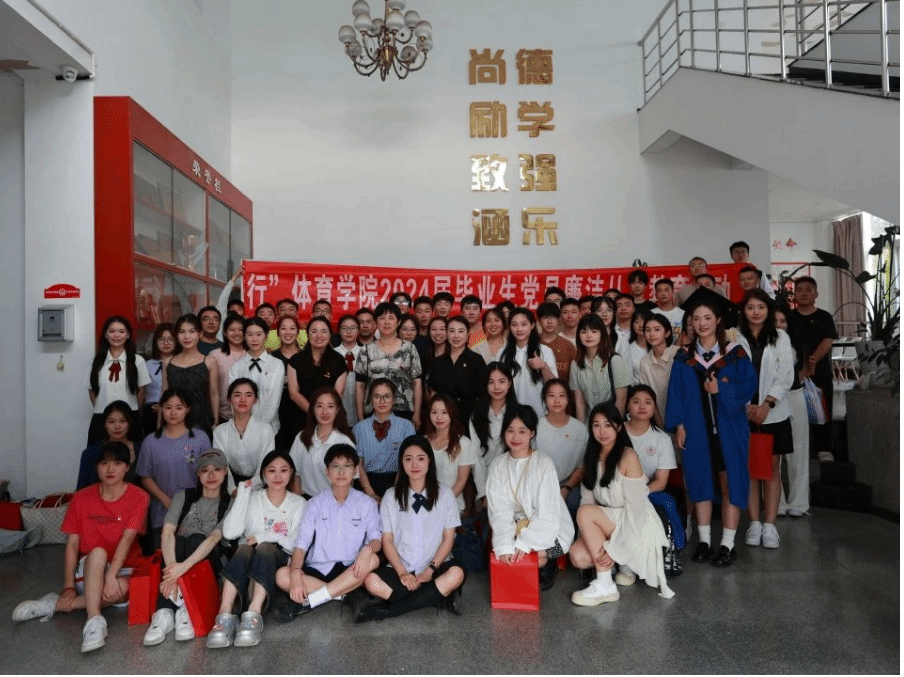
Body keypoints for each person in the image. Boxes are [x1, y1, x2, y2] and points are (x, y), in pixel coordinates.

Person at [13, 441, 150, 653]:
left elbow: (127, 539)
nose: (111, 469)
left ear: (127, 467)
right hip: (90, 568)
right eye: (104, 463)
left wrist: (111, 575)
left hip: (124, 568)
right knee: (98, 553)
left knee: (124, 591)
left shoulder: (139, 497)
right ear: (96, 466)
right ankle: (94, 620)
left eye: (117, 463)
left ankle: (54, 605)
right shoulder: (81, 498)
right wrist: (68, 587)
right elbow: (72, 545)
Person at [665, 295, 757, 568]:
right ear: (690, 323)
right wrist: (679, 425)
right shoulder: (684, 357)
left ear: (718, 320)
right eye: (696, 319)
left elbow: (748, 387)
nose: (702, 323)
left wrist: (722, 389)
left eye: (707, 318)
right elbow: (676, 393)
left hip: (730, 429)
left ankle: (727, 544)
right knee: (699, 480)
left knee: (730, 482)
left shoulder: (735, 353)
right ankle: (704, 541)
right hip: (696, 429)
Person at [569, 403, 674, 605]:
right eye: (596, 425)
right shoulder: (591, 457)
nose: (602, 431)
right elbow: (588, 501)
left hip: (635, 525)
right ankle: (619, 564)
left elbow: (637, 511)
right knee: (578, 556)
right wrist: (590, 540)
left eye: (608, 425)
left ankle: (605, 584)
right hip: (609, 522)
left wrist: (617, 548)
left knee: (585, 512)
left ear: (618, 426)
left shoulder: (628, 456)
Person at [356, 435, 465, 622]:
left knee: (456, 574)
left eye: (421, 458)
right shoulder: (391, 496)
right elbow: (387, 540)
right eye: (408, 459)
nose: (415, 464)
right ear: (402, 462)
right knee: (371, 582)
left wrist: (430, 570)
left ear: (429, 460)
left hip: (435, 565)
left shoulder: (445, 494)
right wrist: (402, 572)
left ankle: (390, 611)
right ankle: (435, 598)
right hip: (402, 565)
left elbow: (449, 538)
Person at [207, 450, 306, 648]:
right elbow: (230, 532)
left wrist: (265, 536)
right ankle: (225, 614)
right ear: (263, 474)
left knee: (266, 548)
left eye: (283, 470)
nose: (277, 476)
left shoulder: (299, 503)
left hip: (275, 562)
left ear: (291, 473)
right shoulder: (253, 498)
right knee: (244, 548)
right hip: (246, 564)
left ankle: (253, 613)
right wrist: (243, 494)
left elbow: (297, 542)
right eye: (272, 470)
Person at [273, 444, 381, 623]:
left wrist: (367, 549)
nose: (341, 472)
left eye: (347, 466)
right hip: (319, 568)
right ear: (327, 472)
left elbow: (376, 539)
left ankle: (314, 599)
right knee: (283, 575)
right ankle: (345, 595)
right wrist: (296, 572)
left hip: (351, 568)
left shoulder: (367, 503)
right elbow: (301, 545)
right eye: (335, 466)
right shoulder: (314, 504)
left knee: (374, 559)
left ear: (355, 471)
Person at [143, 449, 232, 646]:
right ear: (198, 474)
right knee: (179, 540)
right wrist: (173, 573)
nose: (211, 475)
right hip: (177, 561)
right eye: (205, 470)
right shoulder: (183, 497)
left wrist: (180, 569)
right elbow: (167, 533)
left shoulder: (230, 503)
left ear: (225, 471)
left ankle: (185, 607)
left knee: (196, 538)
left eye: (217, 469)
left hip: (209, 561)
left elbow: (213, 539)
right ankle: (164, 612)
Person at [486, 404, 574, 590]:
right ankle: (531, 566)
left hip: (550, 527)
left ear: (532, 433)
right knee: (507, 554)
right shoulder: (498, 465)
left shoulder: (543, 463)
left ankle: (549, 562)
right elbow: (499, 511)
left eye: (522, 431)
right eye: (510, 430)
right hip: (515, 527)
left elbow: (547, 513)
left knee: (535, 556)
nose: (515, 437)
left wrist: (525, 543)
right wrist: (505, 545)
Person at [736, 290, 794, 549]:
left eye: (761, 307)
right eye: (751, 307)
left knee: (771, 470)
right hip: (742, 412)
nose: (756, 312)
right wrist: (745, 405)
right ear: (744, 310)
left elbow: (785, 374)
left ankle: (770, 525)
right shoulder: (733, 337)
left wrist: (767, 404)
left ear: (768, 310)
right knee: (749, 469)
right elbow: (730, 374)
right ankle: (754, 523)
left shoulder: (780, 336)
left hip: (774, 413)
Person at [137, 388, 213, 548]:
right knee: (163, 558)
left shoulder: (200, 438)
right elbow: (145, 476)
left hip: (195, 512)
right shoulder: (150, 441)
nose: (173, 413)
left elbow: (209, 474)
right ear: (161, 408)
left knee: (194, 558)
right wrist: (165, 500)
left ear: (188, 409)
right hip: (162, 513)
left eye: (179, 407)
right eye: (168, 407)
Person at [623, 385, 684, 573]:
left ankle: (668, 553)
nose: (642, 406)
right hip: (619, 489)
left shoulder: (662, 439)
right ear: (627, 406)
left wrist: (640, 492)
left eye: (648, 402)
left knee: (666, 504)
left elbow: (661, 481)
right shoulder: (616, 433)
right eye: (636, 402)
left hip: (648, 490)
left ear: (654, 407)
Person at [791, 276, 838, 463]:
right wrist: (800, 369)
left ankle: (824, 448)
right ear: (794, 294)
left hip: (819, 371)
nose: (803, 293)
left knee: (821, 409)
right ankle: (796, 447)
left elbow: (827, 341)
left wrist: (811, 362)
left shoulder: (824, 317)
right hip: (793, 372)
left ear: (816, 294)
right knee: (795, 410)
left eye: (808, 290)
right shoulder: (788, 317)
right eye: (799, 290)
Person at [354, 302, 423, 428]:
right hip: (373, 410)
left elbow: (417, 383)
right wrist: (359, 415)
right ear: (376, 322)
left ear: (398, 322)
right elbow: (360, 386)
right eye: (382, 318)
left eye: (391, 318)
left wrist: (417, 413)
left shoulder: (409, 348)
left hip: (404, 410)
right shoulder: (366, 350)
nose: (386, 322)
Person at [86, 315, 150, 445]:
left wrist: (133, 413)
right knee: (99, 454)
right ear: (105, 335)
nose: (116, 335)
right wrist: (105, 410)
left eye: (121, 331)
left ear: (128, 335)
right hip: (102, 417)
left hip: (130, 417)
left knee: (132, 454)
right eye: (112, 331)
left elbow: (141, 393)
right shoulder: (96, 362)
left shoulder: (138, 361)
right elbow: (92, 392)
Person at [352, 378, 415, 500]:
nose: (382, 401)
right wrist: (370, 493)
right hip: (366, 484)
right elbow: (358, 464)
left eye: (387, 396)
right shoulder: (359, 428)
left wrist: (394, 492)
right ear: (370, 399)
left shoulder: (406, 426)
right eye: (377, 397)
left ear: (394, 399)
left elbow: (408, 462)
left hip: (399, 482)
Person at [774, 306, 810, 517]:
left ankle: (799, 504)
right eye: (775, 321)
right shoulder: (762, 345)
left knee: (799, 451)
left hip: (795, 396)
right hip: (771, 401)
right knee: (774, 455)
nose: (779, 325)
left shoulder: (796, 344)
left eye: (783, 321)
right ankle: (776, 503)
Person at [287, 316, 347, 439]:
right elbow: (293, 393)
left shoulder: (339, 360)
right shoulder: (296, 360)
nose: (319, 335)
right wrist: (315, 412)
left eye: (324, 331)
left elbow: (338, 393)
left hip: (331, 419)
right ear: (308, 335)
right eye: (314, 331)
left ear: (330, 335)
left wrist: (324, 412)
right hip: (302, 419)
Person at [289, 387, 356, 497]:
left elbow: (348, 483)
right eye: (319, 406)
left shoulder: (345, 442)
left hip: (333, 502)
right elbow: (295, 474)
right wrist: (298, 502)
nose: (325, 412)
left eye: (330, 406)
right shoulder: (301, 438)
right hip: (305, 501)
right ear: (313, 409)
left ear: (337, 410)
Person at [535, 379, 588, 519]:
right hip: (540, 485)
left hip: (569, 485)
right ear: (544, 399)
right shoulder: (535, 428)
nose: (557, 400)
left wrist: (567, 488)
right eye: (551, 395)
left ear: (569, 399)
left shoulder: (580, 429)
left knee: (573, 503)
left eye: (562, 395)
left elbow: (582, 466)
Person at [212, 378, 276, 488]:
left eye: (248, 395)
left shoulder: (266, 429)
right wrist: (232, 489)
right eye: (237, 395)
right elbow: (221, 464)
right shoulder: (220, 432)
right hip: (230, 485)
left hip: (261, 485)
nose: (243, 400)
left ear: (255, 400)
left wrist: (251, 486)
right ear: (229, 399)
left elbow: (267, 464)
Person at [469, 362, 518, 504]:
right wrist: (484, 493)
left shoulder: (519, 414)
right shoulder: (476, 416)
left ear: (509, 384)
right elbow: (477, 458)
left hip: (515, 483)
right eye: (491, 382)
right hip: (486, 481)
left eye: (501, 381)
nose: (497, 387)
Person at [425, 315, 487, 427]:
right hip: (442, 419)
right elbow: (433, 393)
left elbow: (483, 393)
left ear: (468, 334)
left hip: (469, 418)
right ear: (447, 334)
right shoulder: (438, 362)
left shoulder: (476, 360)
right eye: (452, 331)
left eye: (461, 331)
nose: (456, 335)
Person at [163, 314, 219, 436]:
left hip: (201, 421)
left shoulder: (209, 361)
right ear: (177, 335)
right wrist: (159, 425)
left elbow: (214, 394)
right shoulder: (168, 362)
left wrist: (215, 422)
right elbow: (163, 395)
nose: (186, 336)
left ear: (200, 334)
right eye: (182, 332)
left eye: (191, 331)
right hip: (173, 421)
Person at [228, 317, 285, 435]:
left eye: (259, 334)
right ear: (244, 336)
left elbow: (274, 401)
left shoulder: (276, 365)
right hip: (242, 429)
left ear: (266, 335)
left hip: (270, 430)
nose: (254, 339)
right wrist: (244, 426)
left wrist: (258, 428)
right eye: (250, 335)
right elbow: (235, 402)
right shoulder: (236, 367)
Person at [569, 313, 630, 422]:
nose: (589, 336)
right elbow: (580, 402)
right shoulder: (576, 364)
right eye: (584, 331)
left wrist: (613, 426)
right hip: (589, 422)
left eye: (594, 331)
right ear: (578, 335)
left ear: (602, 334)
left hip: (611, 422)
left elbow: (621, 399)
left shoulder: (615, 360)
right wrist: (581, 429)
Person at [423, 394, 476, 512]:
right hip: (423, 502)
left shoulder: (464, 443)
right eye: (434, 412)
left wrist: (441, 504)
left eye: (444, 412)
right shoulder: (423, 442)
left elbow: (461, 480)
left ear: (452, 414)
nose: (439, 417)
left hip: (450, 505)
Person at [500, 307, 557, 417]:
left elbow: (554, 385)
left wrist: (543, 366)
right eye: (514, 325)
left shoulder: (545, 351)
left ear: (532, 325)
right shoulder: (502, 353)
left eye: (524, 324)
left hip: (539, 413)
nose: (519, 329)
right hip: (510, 414)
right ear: (509, 327)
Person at [77, 400, 142, 491]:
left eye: (122, 421)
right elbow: (82, 489)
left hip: (136, 499)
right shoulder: (90, 453)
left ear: (129, 423)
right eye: (111, 422)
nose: (117, 426)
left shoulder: (141, 449)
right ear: (105, 424)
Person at [638, 313, 681, 426]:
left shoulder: (678, 353)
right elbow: (649, 397)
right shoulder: (644, 362)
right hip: (661, 418)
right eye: (648, 330)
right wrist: (661, 427)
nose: (652, 334)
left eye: (657, 329)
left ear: (667, 333)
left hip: (684, 419)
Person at [271, 315, 302, 450]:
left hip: (301, 414)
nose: (288, 332)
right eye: (283, 328)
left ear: (298, 332)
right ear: (278, 333)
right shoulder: (271, 358)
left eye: (292, 328)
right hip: (277, 414)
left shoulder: (306, 357)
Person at [212, 313, 246, 423]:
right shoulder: (215, 355)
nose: (237, 333)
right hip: (224, 416)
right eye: (232, 330)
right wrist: (215, 420)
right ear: (225, 333)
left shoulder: (252, 355)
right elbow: (213, 390)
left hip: (250, 416)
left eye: (240, 330)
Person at [143, 323, 175, 437]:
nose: (166, 343)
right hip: (150, 411)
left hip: (174, 410)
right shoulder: (146, 365)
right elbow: (141, 393)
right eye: (161, 339)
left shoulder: (180, 364)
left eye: (170, 339)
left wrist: (164, 407)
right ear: (155, 341)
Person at [333, 314, 362, 427]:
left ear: (358, 330)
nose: (348, 331)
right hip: (337, 413)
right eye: (344, 328)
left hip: (362, 413)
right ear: (339, 331)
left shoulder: (366, 353)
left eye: (353, 328)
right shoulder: (332, 354)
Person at [536, 302, 576, 381]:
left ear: (558, 320)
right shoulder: (532, 343)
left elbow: (574, 377)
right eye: (545, 317)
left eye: (553, 317)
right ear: (539, 321)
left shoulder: (568, 346)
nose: (549, 322)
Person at [626, 308, 653, 384]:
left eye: (644, 321)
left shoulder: (658, 347)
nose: (640, 325)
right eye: (637, 322)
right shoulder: (628, 350)